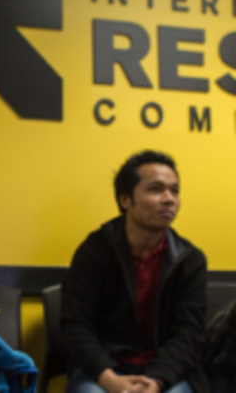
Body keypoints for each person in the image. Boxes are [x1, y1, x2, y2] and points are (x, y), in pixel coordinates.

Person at [61, 151, 207, 393]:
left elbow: (189, 335)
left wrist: (157, 381)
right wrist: (110, 380)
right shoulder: (95, 251)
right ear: (125, 199)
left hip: (166, 372)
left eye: (174, 191)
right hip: (105, 370)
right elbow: (75, 326)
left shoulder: (190, 260)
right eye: (156, 189)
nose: (169, 199)